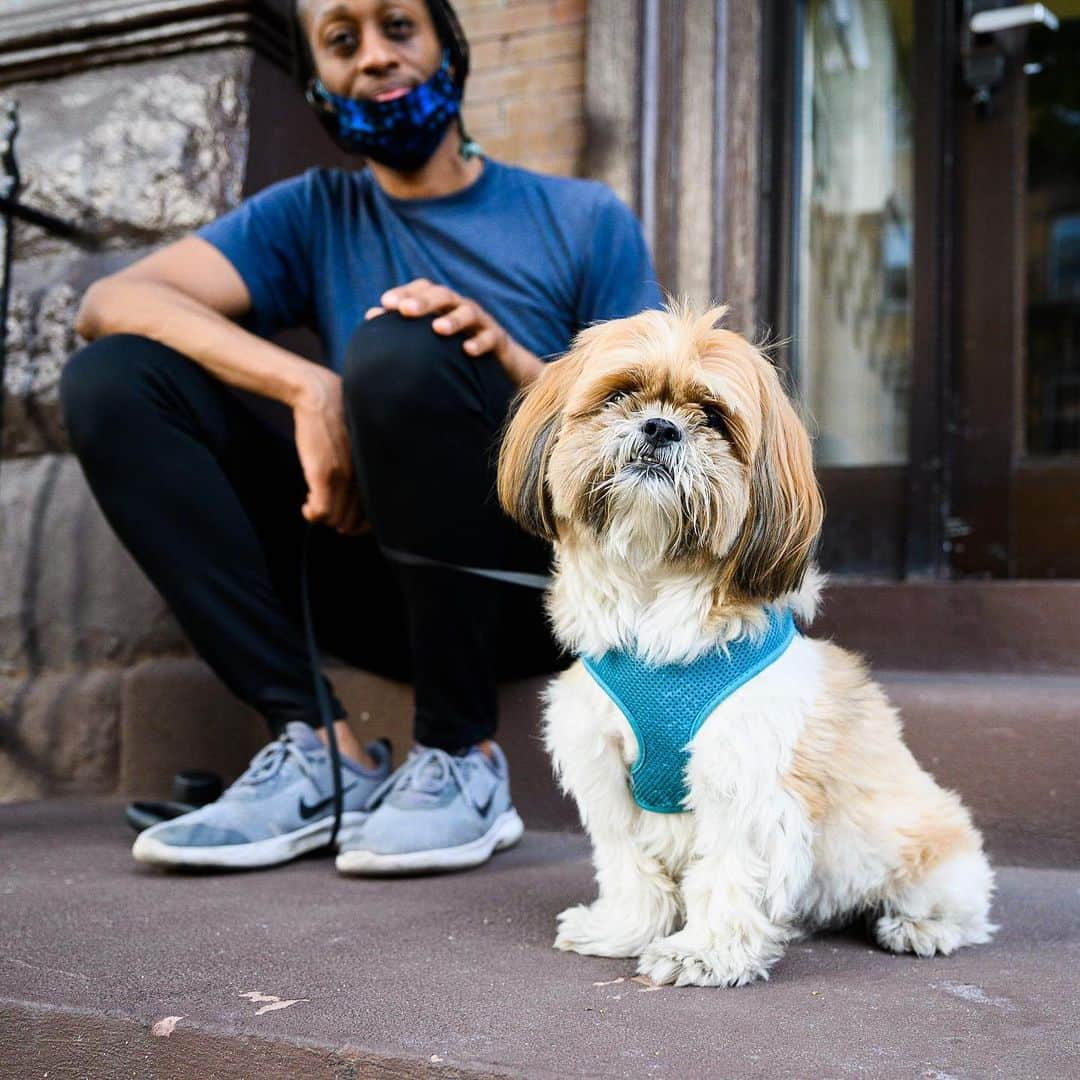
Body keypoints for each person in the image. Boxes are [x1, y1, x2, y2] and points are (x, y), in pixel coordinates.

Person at [62, 0, 661, 875]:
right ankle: (314, 742)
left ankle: (460, 754)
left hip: (535, 589)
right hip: (371, 582)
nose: (375, 58)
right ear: (316, 83)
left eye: (398, 28)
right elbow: (109, 302)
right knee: (115, 378)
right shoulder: (313, 213)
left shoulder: (578, 216)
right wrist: (306, 384)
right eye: (342, 42)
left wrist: (505, 358)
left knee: (406, 344)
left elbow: (656, 413)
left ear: (449, 46)